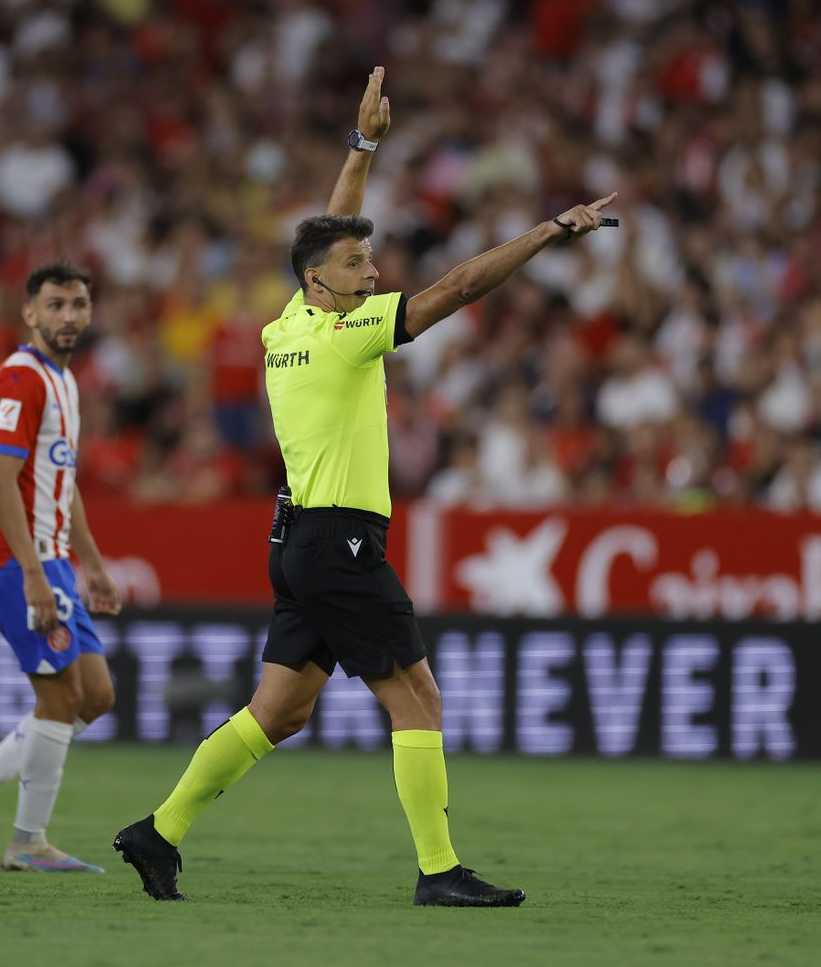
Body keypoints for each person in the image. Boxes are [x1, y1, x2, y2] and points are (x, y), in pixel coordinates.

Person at [113, 68, 615, 906]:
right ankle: (438, 871)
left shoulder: (287, 325)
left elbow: (329, 233)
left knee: (279, 712)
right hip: (339, 543)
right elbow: (458, 287)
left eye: (371, 258)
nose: (373, 270)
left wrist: (363, 145)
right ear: (322, 282)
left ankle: (157, 833)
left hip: (299, 542)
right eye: (358, 264)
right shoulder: (349, 334)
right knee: (418, 698)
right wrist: (550, 231)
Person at [0, 262, 122, 873]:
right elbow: (0, 480)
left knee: (96, 694)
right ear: (30, 313)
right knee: (61, 698)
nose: (68, 315)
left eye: (78, 304)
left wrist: (91, 563)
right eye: (56, 305)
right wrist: (35, 575)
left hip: (54, 560)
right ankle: (28, 839)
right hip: (17, 562)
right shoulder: (22, 377)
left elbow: (62, 483)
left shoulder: (64, 381)